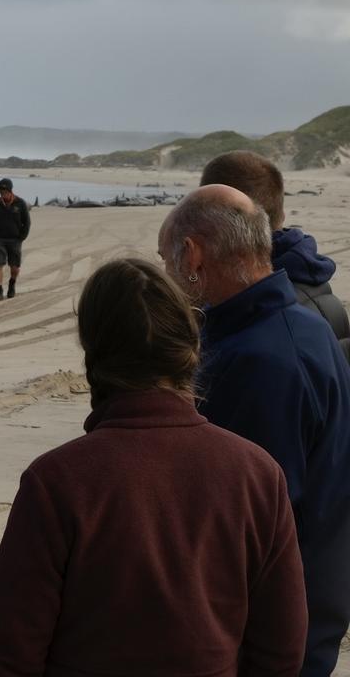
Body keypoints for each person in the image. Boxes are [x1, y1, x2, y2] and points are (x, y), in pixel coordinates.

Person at [0, 257, 308, 676]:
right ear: (190, 345)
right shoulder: (256, 474)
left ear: (94, 350)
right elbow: (282, 647)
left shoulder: (59, 480)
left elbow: (6, 651)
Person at [159, 185, 350, 677]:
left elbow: (245, 527)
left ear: (192, 255)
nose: (167, 275)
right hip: (304, 611)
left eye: (166, 259)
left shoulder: (261, 359)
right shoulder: (298, 328)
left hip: (268, 639)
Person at [200, 150, 350, 359]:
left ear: (216, 222)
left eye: (198, 212)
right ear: (282, 212)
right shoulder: (317, 283)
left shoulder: (244, 310)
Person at [0, 177, 30, 301]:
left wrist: (22, 237)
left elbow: (26, 222)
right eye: (0, 192)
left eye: (4, 192)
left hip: (15, 240)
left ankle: (12, 284)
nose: (2, 194)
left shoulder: (20, 203)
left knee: (14, 267)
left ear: (10, 190)